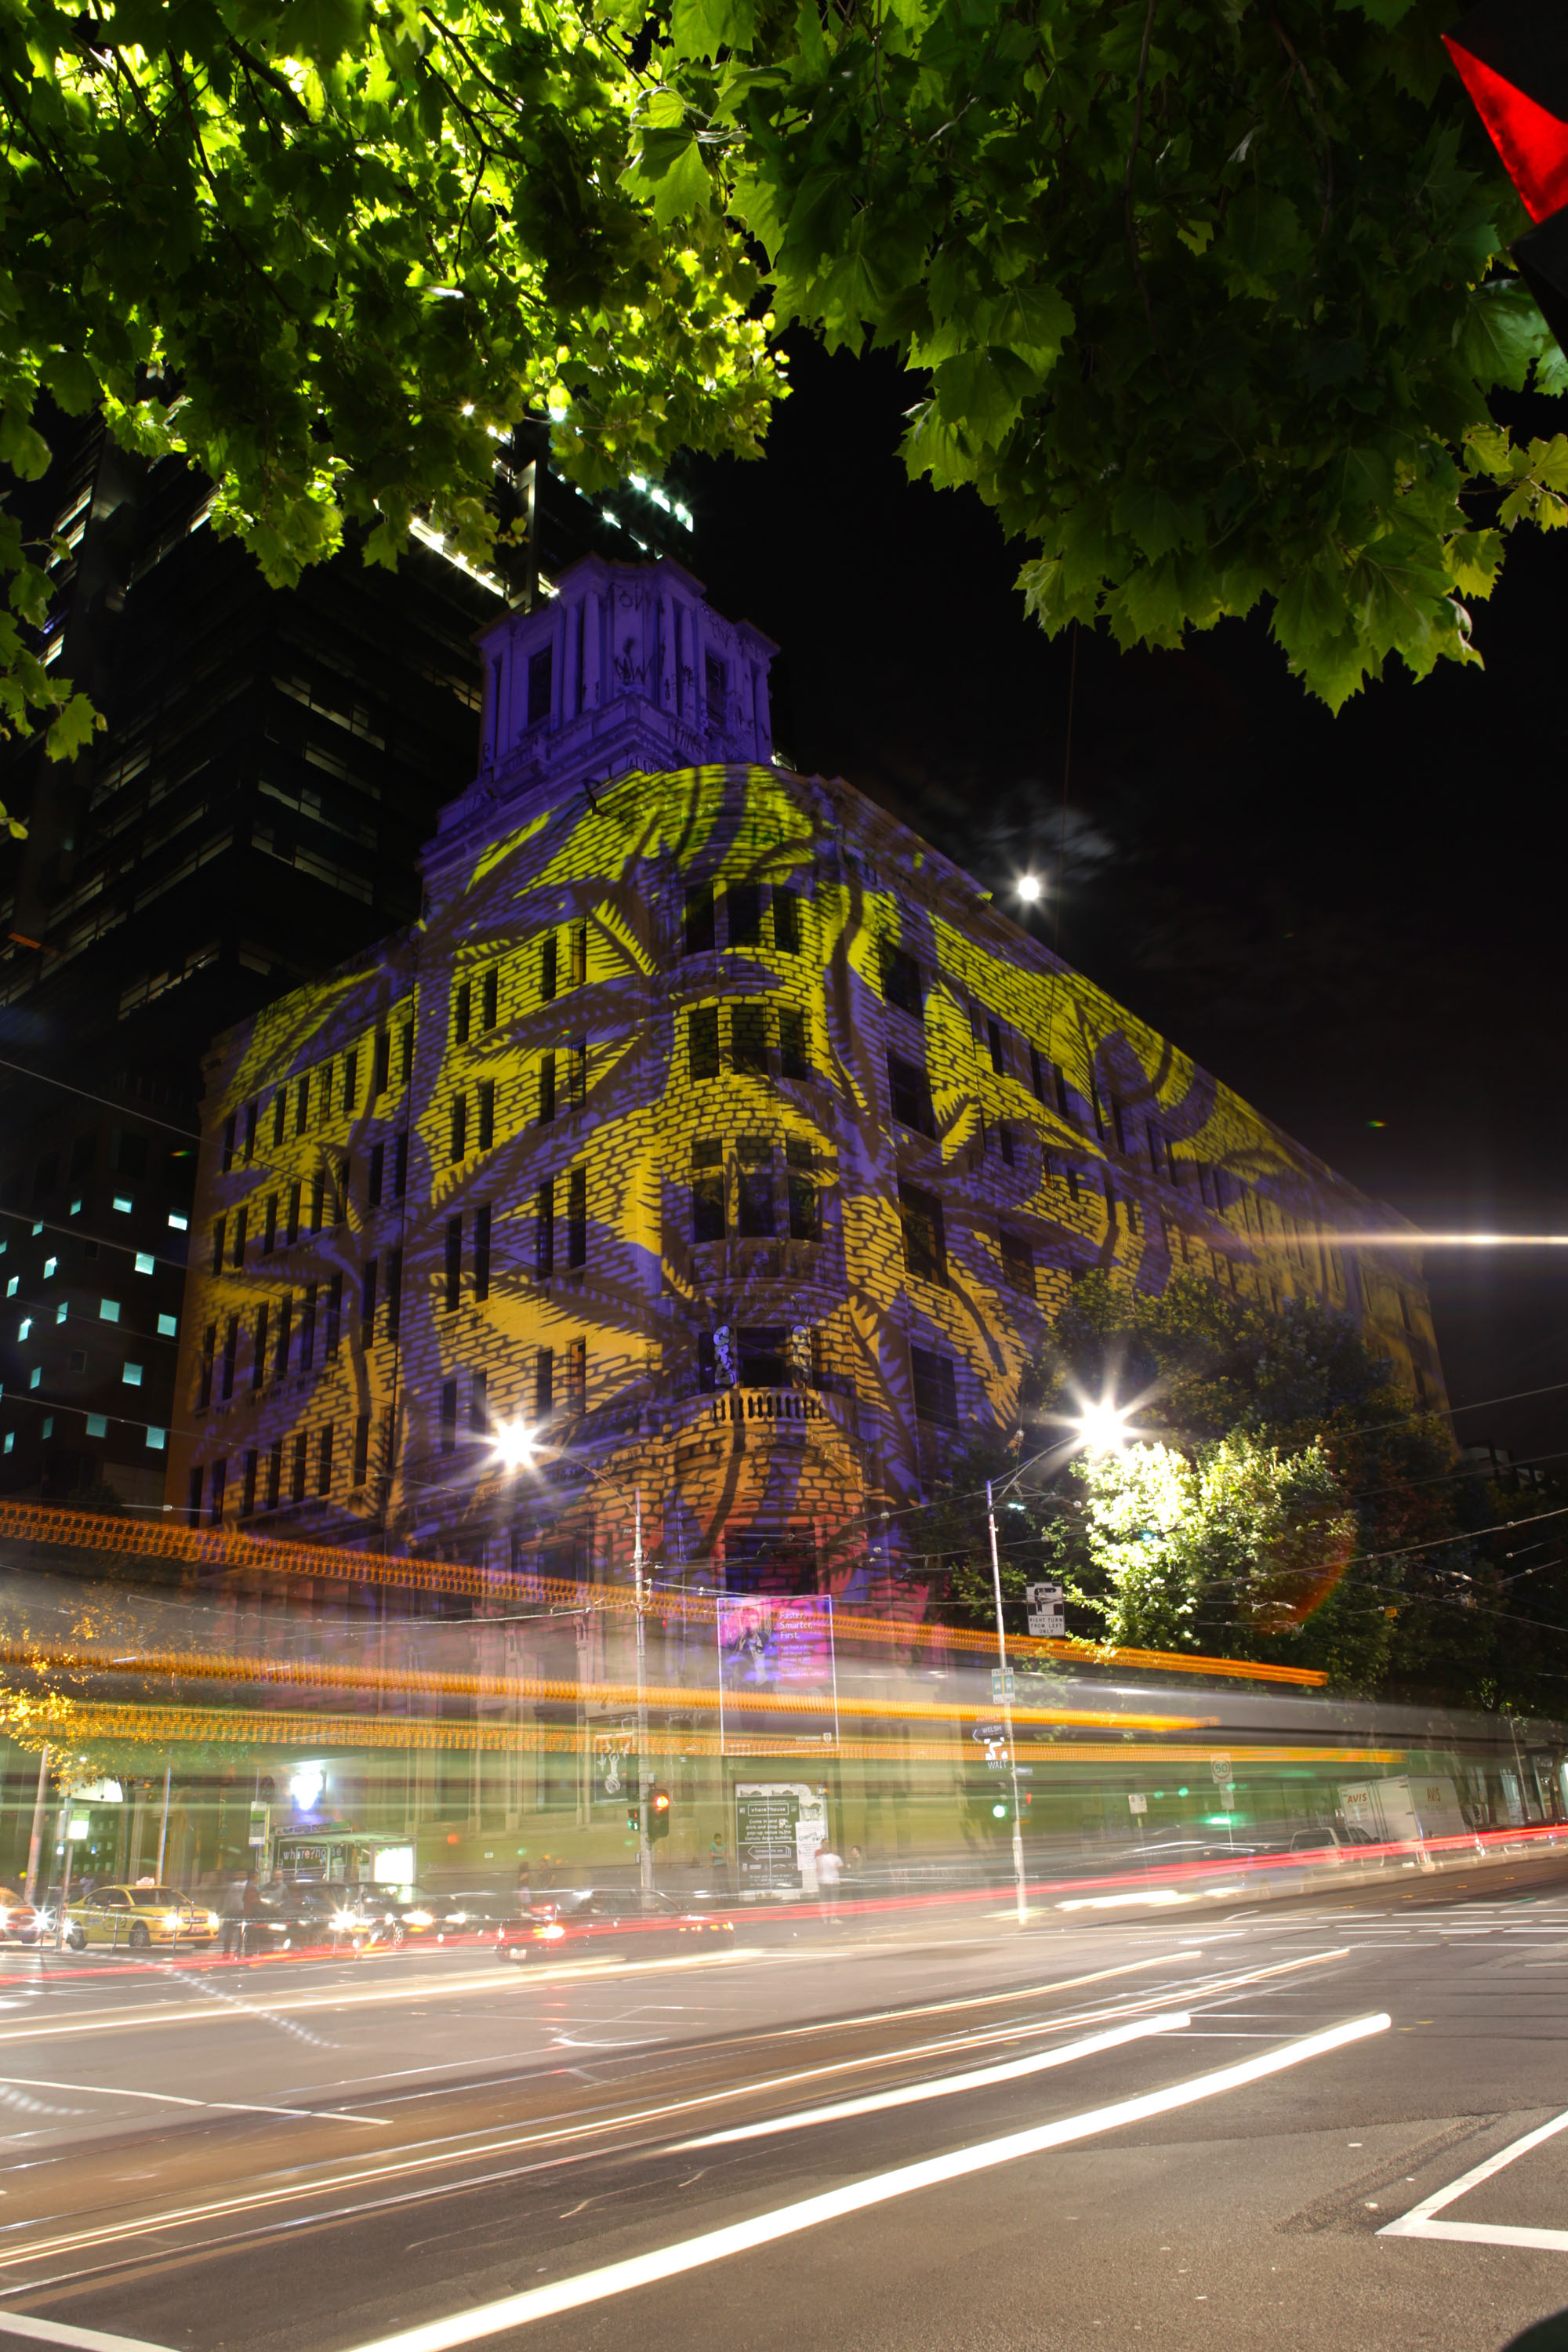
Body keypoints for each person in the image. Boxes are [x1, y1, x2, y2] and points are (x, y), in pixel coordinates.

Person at [815, 1842, 844, 1922]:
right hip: (834, 1881)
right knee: (834, 1900)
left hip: (823, 1882)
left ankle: (824, 1918)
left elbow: (818, 1871)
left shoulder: (819, 1858)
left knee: (824, 1900)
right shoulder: (836, 1858)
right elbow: (841, 1868)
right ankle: (833, 1918)